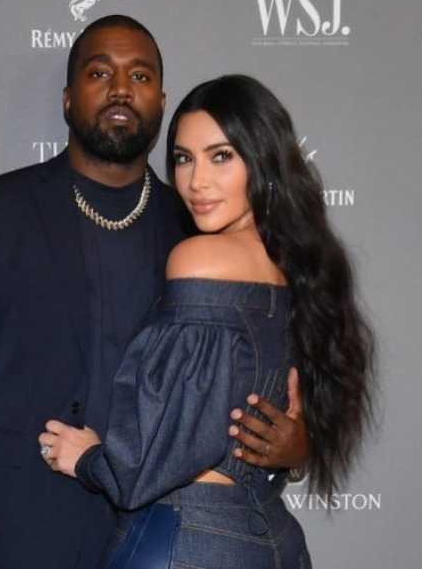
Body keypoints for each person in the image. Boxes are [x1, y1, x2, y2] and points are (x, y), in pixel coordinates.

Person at [0, 17, 309, 569]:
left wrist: (295, 449)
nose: (121, 88)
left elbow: (256, 378)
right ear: (68, 98)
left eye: (140, 75)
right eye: (100, 73)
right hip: (17, 526)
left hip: (158, 535)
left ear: (161, 103)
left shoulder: (200, 229)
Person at [40, 75, 375, 568]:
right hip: (274, 540)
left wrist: (89, 459)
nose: (196, 181)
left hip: (186, 540)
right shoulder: (297, 268)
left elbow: (146, 461)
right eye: (183, 159)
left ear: (262, 161)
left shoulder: (200, 259)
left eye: (221, 157)